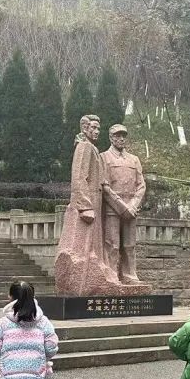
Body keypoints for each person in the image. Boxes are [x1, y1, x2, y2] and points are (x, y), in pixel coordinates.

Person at [54, 114, 123, 295]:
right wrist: (85, 205)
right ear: (84, 129)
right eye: (93, 128)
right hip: (88, 202)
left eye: (98, 129)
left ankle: (94, 276)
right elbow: (78, 177)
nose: (97, 131)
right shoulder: (84, 147)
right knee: (84, 246)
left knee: (93, 246)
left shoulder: (91, 148)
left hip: (96, 199)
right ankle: (83, 282)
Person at [100, 123, 147, 284]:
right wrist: (121, 206)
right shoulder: (104, 157)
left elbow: (141, 185)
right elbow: (104, 186)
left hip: (131, 209)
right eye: (117, 135)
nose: (121, 139)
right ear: (111, 138)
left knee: (129, 245)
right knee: (112, 244)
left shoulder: (134, 160)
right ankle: (111, 274)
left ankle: (129, 275)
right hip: (113, 208)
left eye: (123, 136)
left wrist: (133, 205)